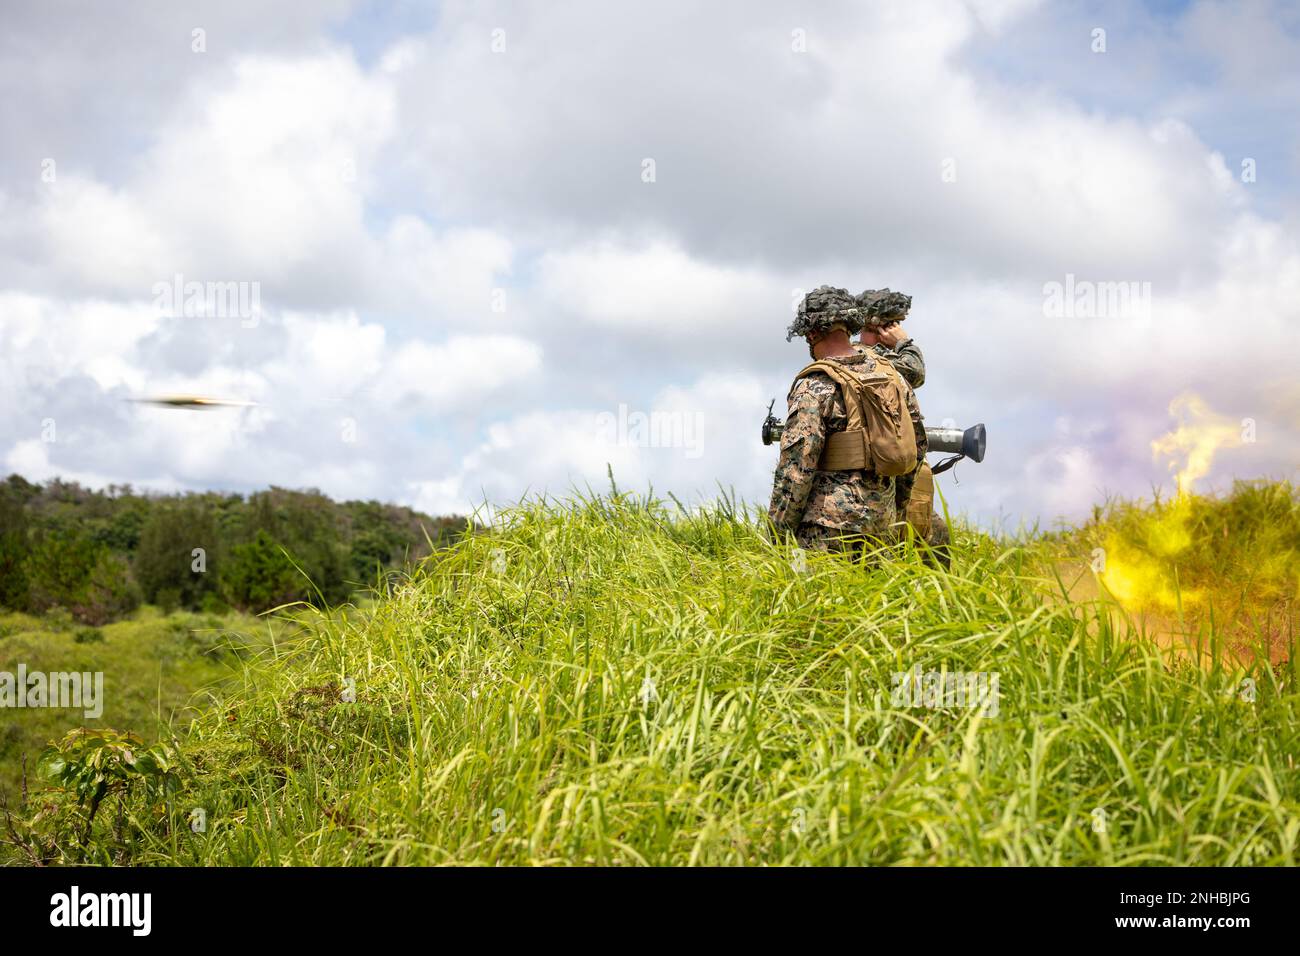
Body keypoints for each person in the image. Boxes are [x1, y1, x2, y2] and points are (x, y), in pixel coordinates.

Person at [767, 286, 927, 556]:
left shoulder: (814, 385)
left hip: (827, 532)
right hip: (882, 529)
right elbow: (915, 447)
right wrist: (896, 510)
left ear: (813, 332)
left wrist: (777, 538)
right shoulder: (893, 377)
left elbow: (796, 470)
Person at [856, 288, 950, 567]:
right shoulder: (867, 357)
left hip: (890, 463)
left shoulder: (860, 355)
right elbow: (914, 371)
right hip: (880, 469)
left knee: (930, 536)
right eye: (891, 325)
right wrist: (905, 343)